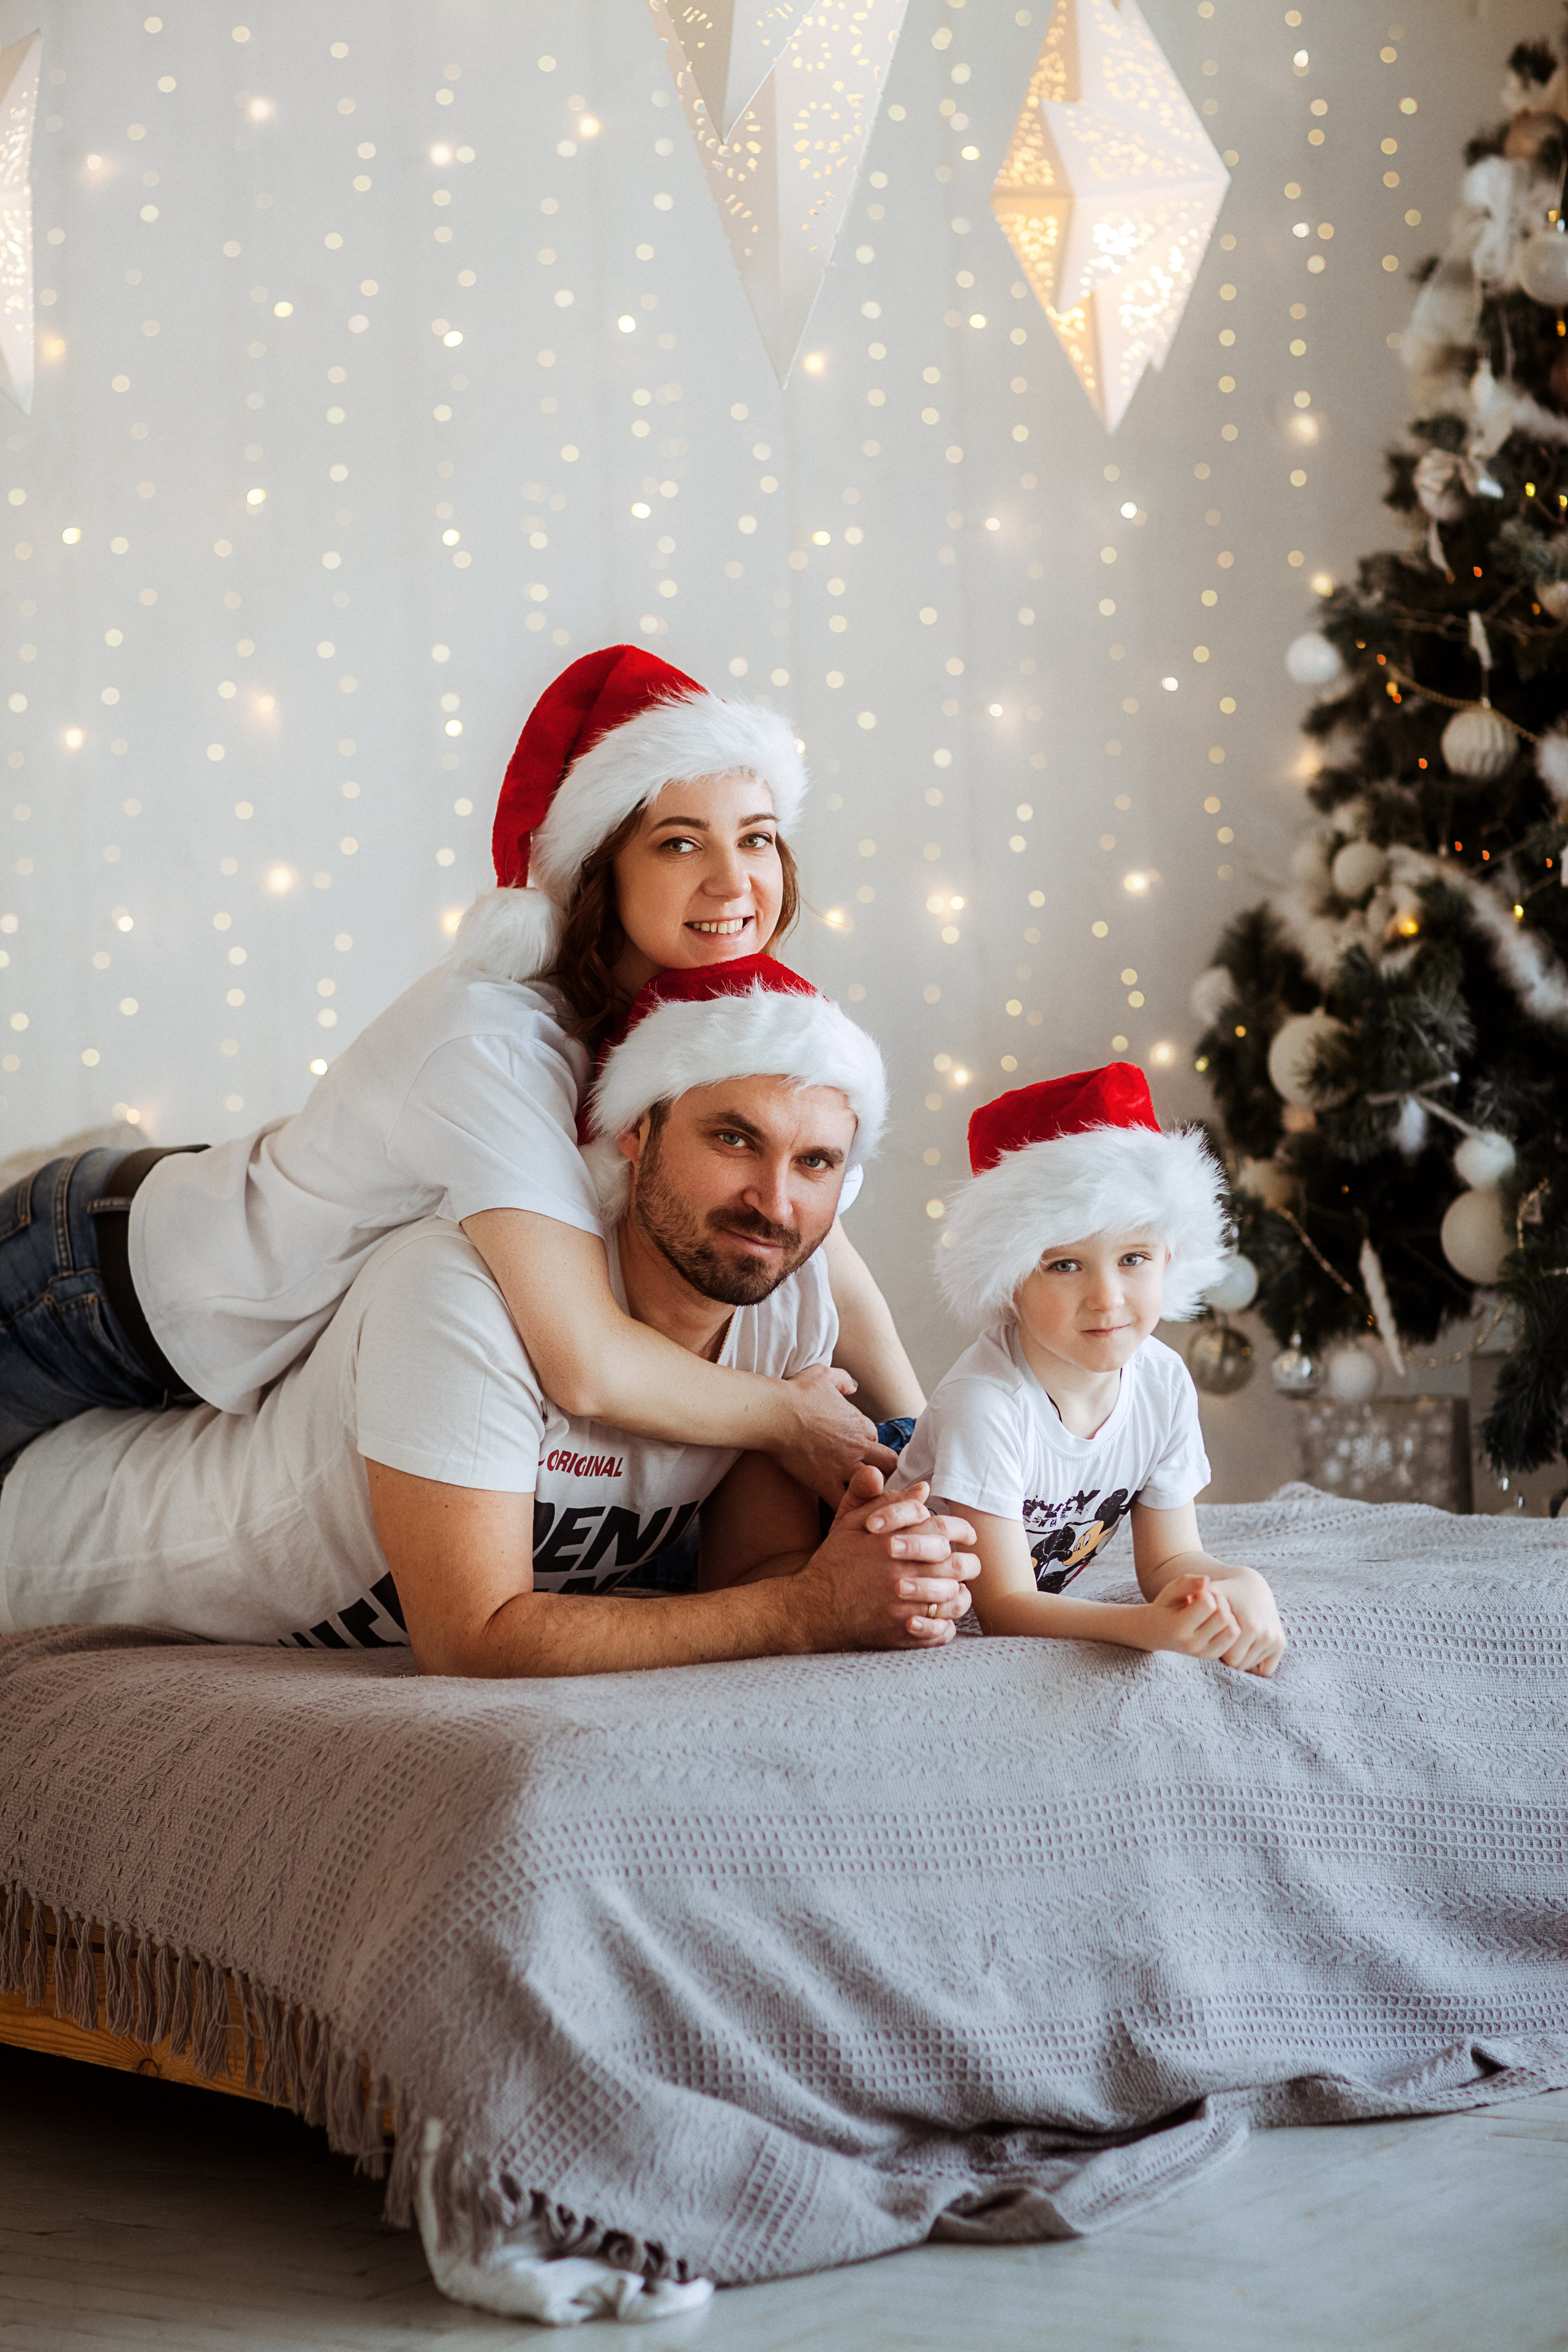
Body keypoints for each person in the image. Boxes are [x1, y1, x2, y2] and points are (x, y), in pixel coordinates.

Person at [0, 646, 922, 1499]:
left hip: (248, 1344)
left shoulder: (696, 1030)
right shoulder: (492, 1038)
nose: (734, 883)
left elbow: (824, 1246)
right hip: (92, 1287)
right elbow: (586, 1366)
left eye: (757, 838)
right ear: (599, 867)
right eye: (681, 843)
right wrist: (791, 1421)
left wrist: (920, 1438)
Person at [0, 959, 974, 1675]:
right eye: (733, 1138)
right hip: (45, 1540)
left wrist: (883, 1562)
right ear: (635, 1131)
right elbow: (475, 1637)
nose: (774, 1201)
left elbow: (753, 1572)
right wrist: (806, 1613)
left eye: (816, 1164)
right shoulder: (461, 1293)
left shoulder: (785, 1295)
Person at [895, 1063, 1287, 1676]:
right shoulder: (986, 1403)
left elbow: (1167, 1561)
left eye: (1133, 1258)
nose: (1107, 1298)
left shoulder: (1161, 1381)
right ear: (1010, 1280)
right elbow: (1001, 1609)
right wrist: (1146, 1629)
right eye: (1064, 1266)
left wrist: (1236, 1588)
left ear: (1169, 1259)